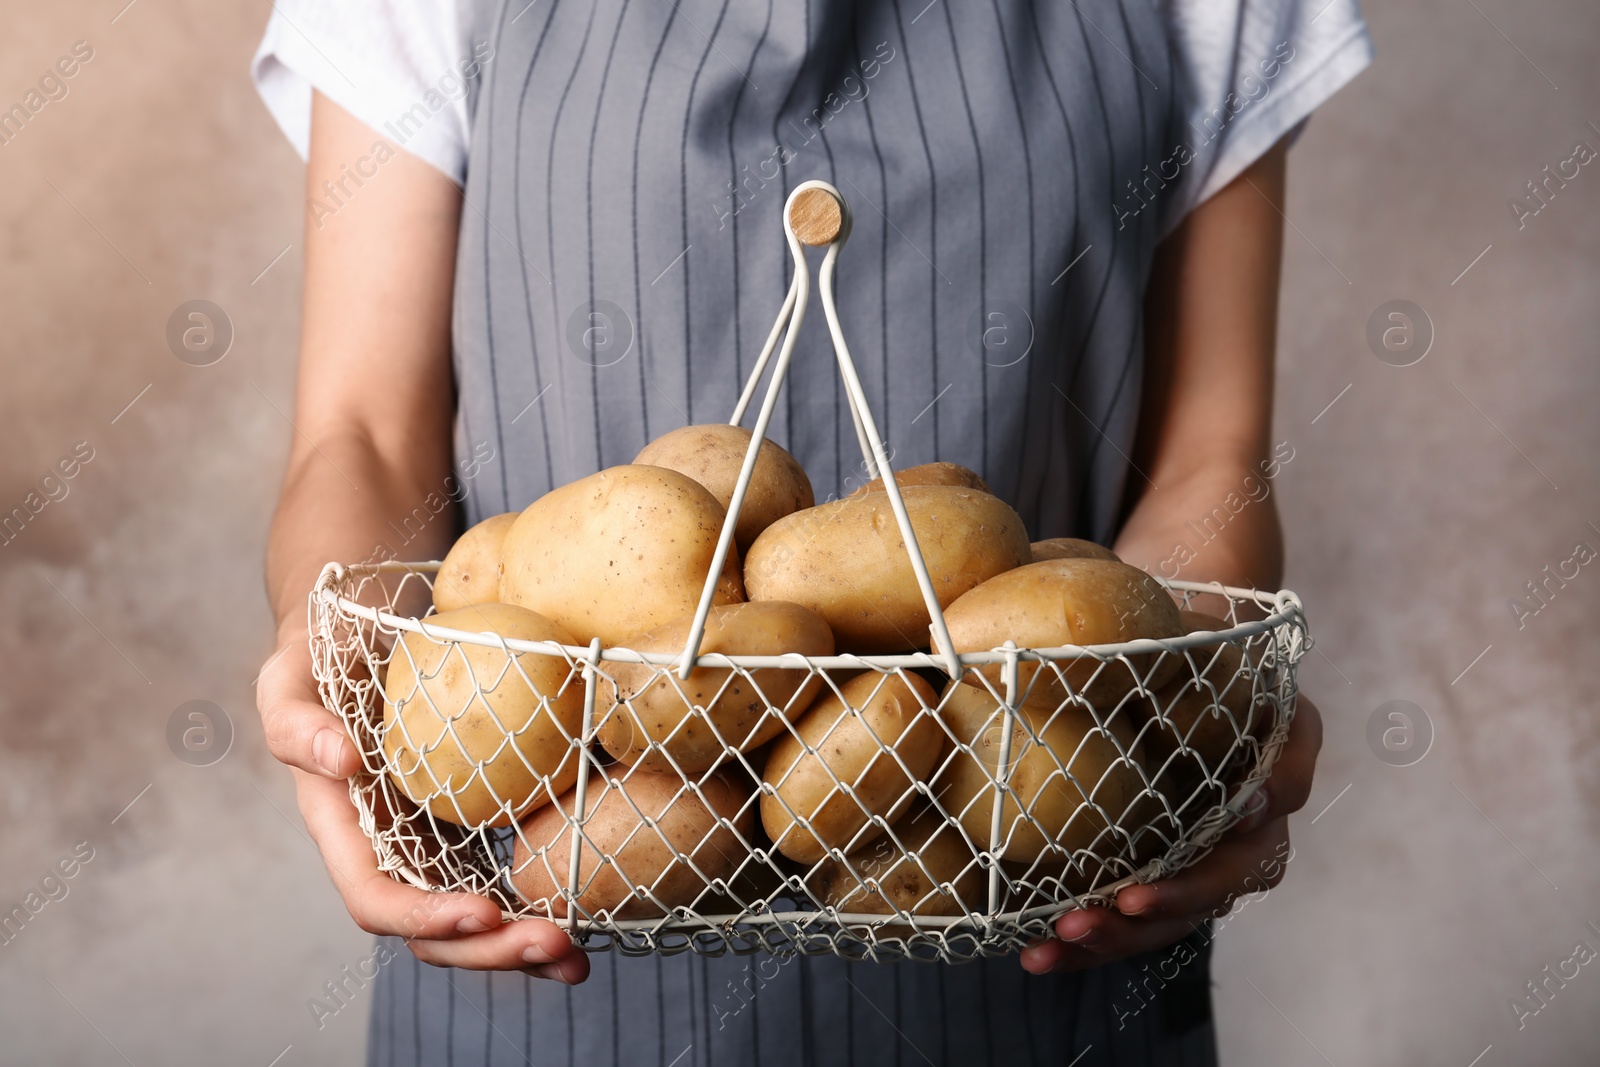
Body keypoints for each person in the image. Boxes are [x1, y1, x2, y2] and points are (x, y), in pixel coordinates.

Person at [252, 1, 1369, 1063]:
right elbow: (359, 432)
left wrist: (1193, 701)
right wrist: (332, 645)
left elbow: (1206, 461)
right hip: (529, 952)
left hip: (1043, 927)